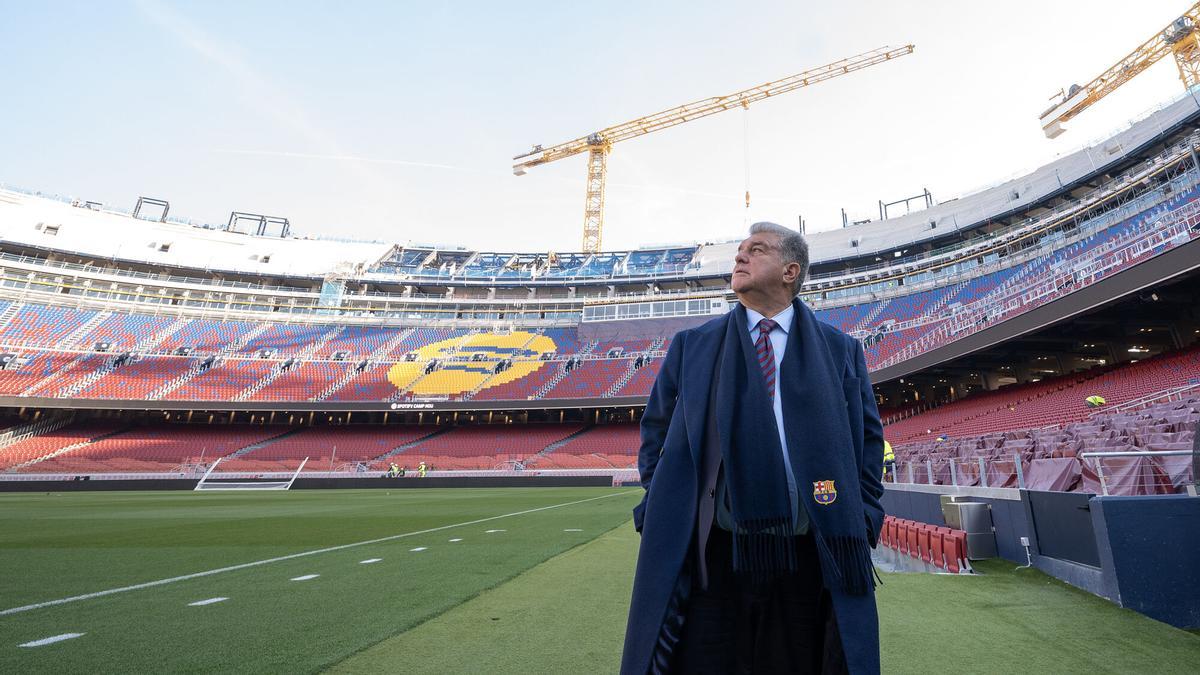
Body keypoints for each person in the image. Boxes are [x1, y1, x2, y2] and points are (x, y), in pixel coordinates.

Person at [622, 222, 885, 674]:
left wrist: (863, 515)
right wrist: (665, 501)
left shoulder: (840, 349)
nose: (740, 257)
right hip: (714, 551)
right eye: (740, 251)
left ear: (790, 271)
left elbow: (867, 443)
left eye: (756, 250)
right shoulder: (694, 345)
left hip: (809, 553)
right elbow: (656, 433)